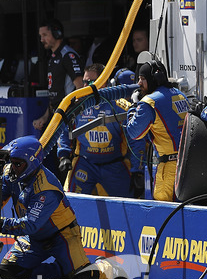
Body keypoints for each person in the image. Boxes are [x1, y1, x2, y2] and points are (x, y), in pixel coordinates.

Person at [0, 136, 95, 279]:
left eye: (18, 164)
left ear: (31, 163)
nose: (13, 167)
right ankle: (60, 270)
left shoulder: (46, 188)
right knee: (9, 271)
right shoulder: (10, 174)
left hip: (62, 236)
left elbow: (30, 225)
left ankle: (105, 267)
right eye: (11, 162)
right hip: (34, 239)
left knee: (84, 278)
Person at [56, 64, 145, 198]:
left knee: (127, 204)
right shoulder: (75, 105)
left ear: (103, 82)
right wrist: (63, 155)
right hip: (85, 163)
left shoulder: (120, 106)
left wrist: (137, 171)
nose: (85, 85)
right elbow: (62, 130)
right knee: (71, 200)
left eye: (90, 82)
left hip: (114, 165)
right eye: (84, 81)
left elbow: (136, 138)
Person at [125, 59, 188, 202]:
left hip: (170, 168)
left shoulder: (149, 102)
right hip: (188, 164)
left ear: (154, 79)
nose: (139, 83)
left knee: (166, 215)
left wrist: (134, 106)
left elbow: (134, 132)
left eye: (142, 79)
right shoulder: (180, 94)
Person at [33, 20, 84, 131]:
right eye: (40, 36)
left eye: (45, 35)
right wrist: (45, 117)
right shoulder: (53, 57)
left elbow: (80, 88)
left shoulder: (67, 55)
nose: (42, 40)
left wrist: (73, 114)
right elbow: (54, 95)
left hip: (67, 116)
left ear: (57, 34)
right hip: (57, 114)